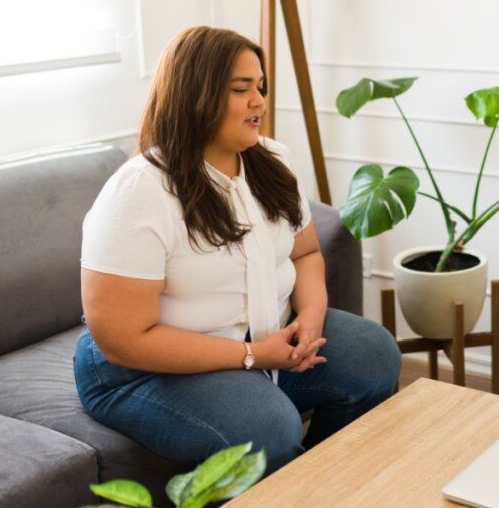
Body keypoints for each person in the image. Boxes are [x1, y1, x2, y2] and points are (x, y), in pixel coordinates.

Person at [74, 26, 401, 474]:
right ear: (195, 95)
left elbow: (305, 253)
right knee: (268, 428)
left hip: (263, 335)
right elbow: (124, 341)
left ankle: (323, 488)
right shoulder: (139, 191)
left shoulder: (271, 159)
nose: (259, 102)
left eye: (260, 87)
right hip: (143, 369)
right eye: (241, 89)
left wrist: (310, 320)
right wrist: (253, 356)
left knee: (375, 355)